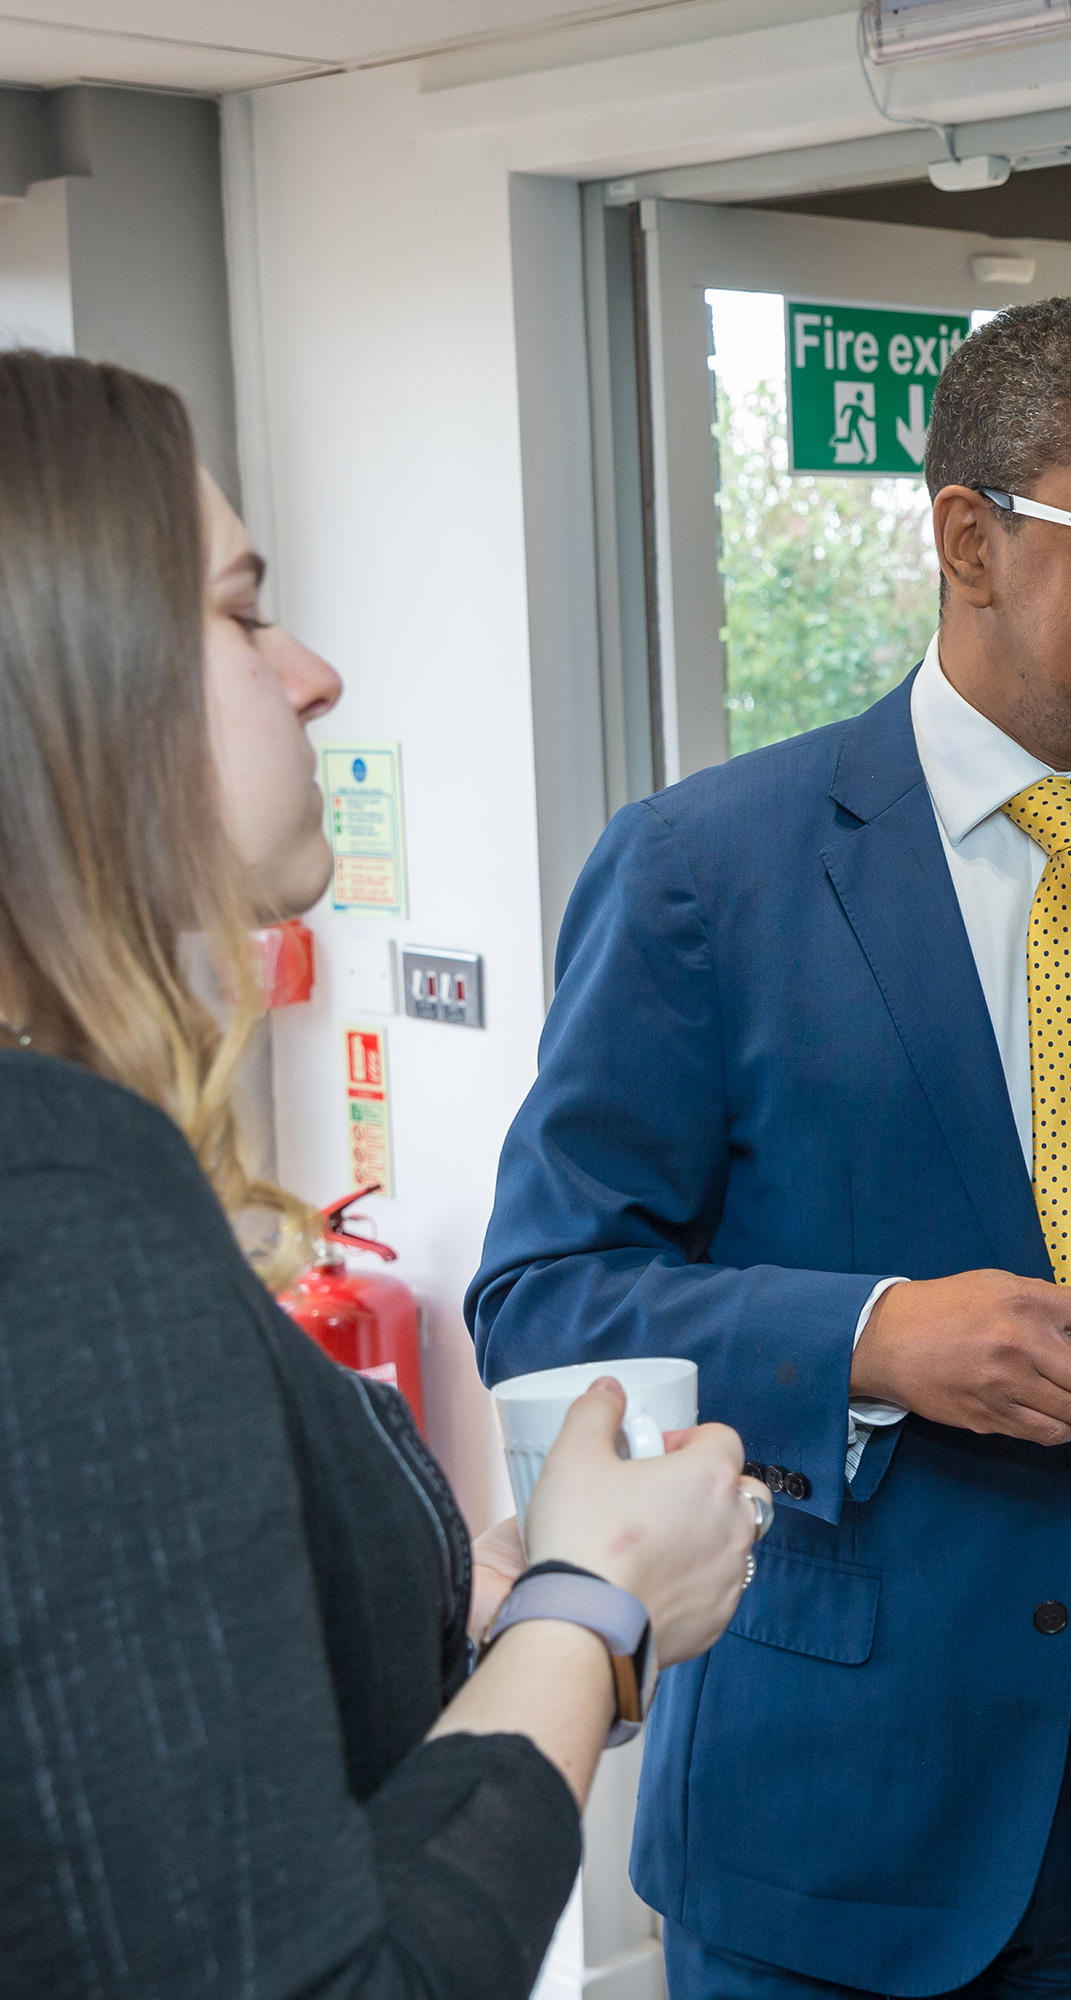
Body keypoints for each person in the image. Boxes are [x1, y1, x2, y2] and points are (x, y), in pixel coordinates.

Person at [471, 296, 1071, 2000]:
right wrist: (875, 1341)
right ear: (968, 540)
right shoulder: (705, 870)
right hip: (826, 1830)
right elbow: (545, 1296)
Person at [0, 351, 759, 1999]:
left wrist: (472, 1610)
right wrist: (591, 1613)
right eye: (241, 612)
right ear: (73, 684)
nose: (316, 672)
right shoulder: (52, 1216)